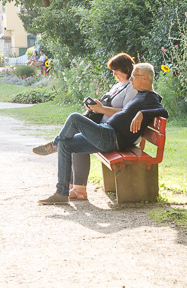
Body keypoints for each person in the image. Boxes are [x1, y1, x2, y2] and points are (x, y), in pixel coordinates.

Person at [34, 63, 169, 205]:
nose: (131, 79)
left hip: (113, 137)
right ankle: (61, 193)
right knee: (65, 144)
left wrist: (142, 113)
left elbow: (164, 112)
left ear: (145, 78)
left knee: (74, 118)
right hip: (107, 133)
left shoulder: (150, 98)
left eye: (134, 76)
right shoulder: (141, 94)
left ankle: (54, 145)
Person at [69, 52, 136, 200]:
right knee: (72, 139)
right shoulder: (118, 86)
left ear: (125, 68)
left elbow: (127, 114)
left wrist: (102, 110)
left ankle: (79, 189)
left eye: (115, 70)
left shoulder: (132, 87)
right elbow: (106, 102)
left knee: (75, 142)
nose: (114, 74)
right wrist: (95, 106)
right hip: (104, 128)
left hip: (115, 134)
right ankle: (74, 186)